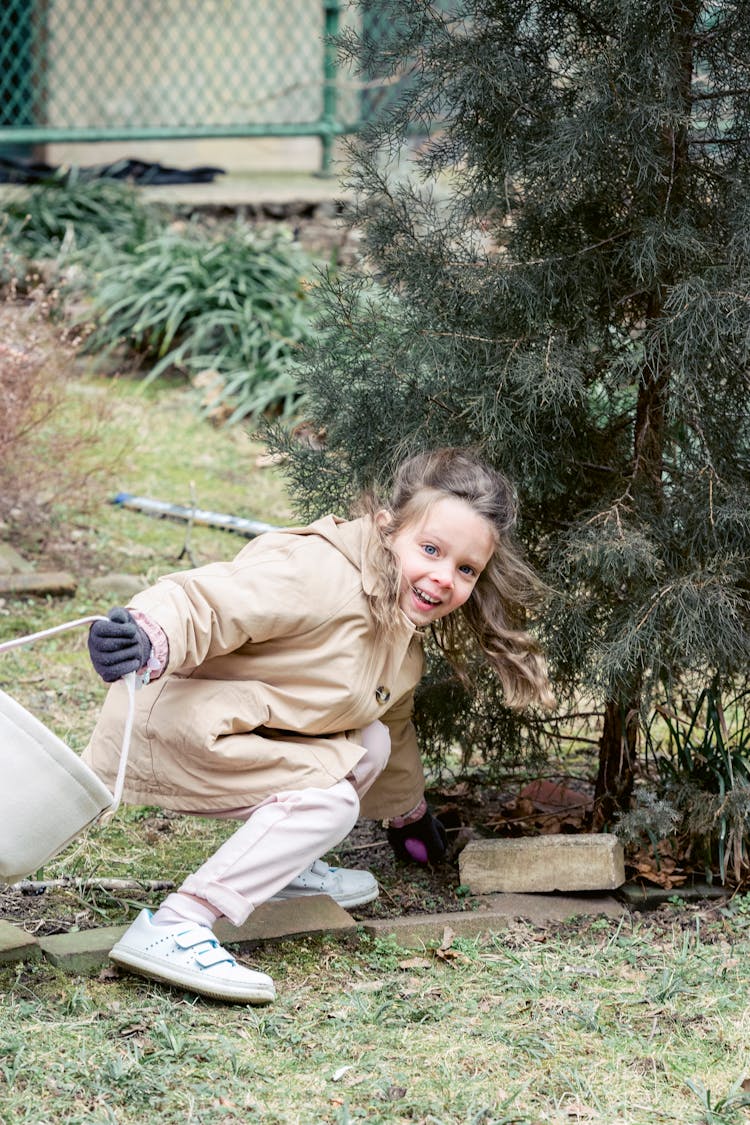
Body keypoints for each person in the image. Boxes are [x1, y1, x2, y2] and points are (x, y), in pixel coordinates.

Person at [85, 447, 554, 1004]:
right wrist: (147, 633)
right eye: (430, 549)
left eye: (465, 568)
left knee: (370, 740)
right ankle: (178, 924)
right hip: (172, 727)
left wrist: (407, 813)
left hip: (231, 730)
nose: (443, 577)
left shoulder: (399, 632)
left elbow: (389, 725)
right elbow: (211, 600)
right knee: (330, 802)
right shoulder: (319, 573)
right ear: (387, 528)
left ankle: (282, 871)